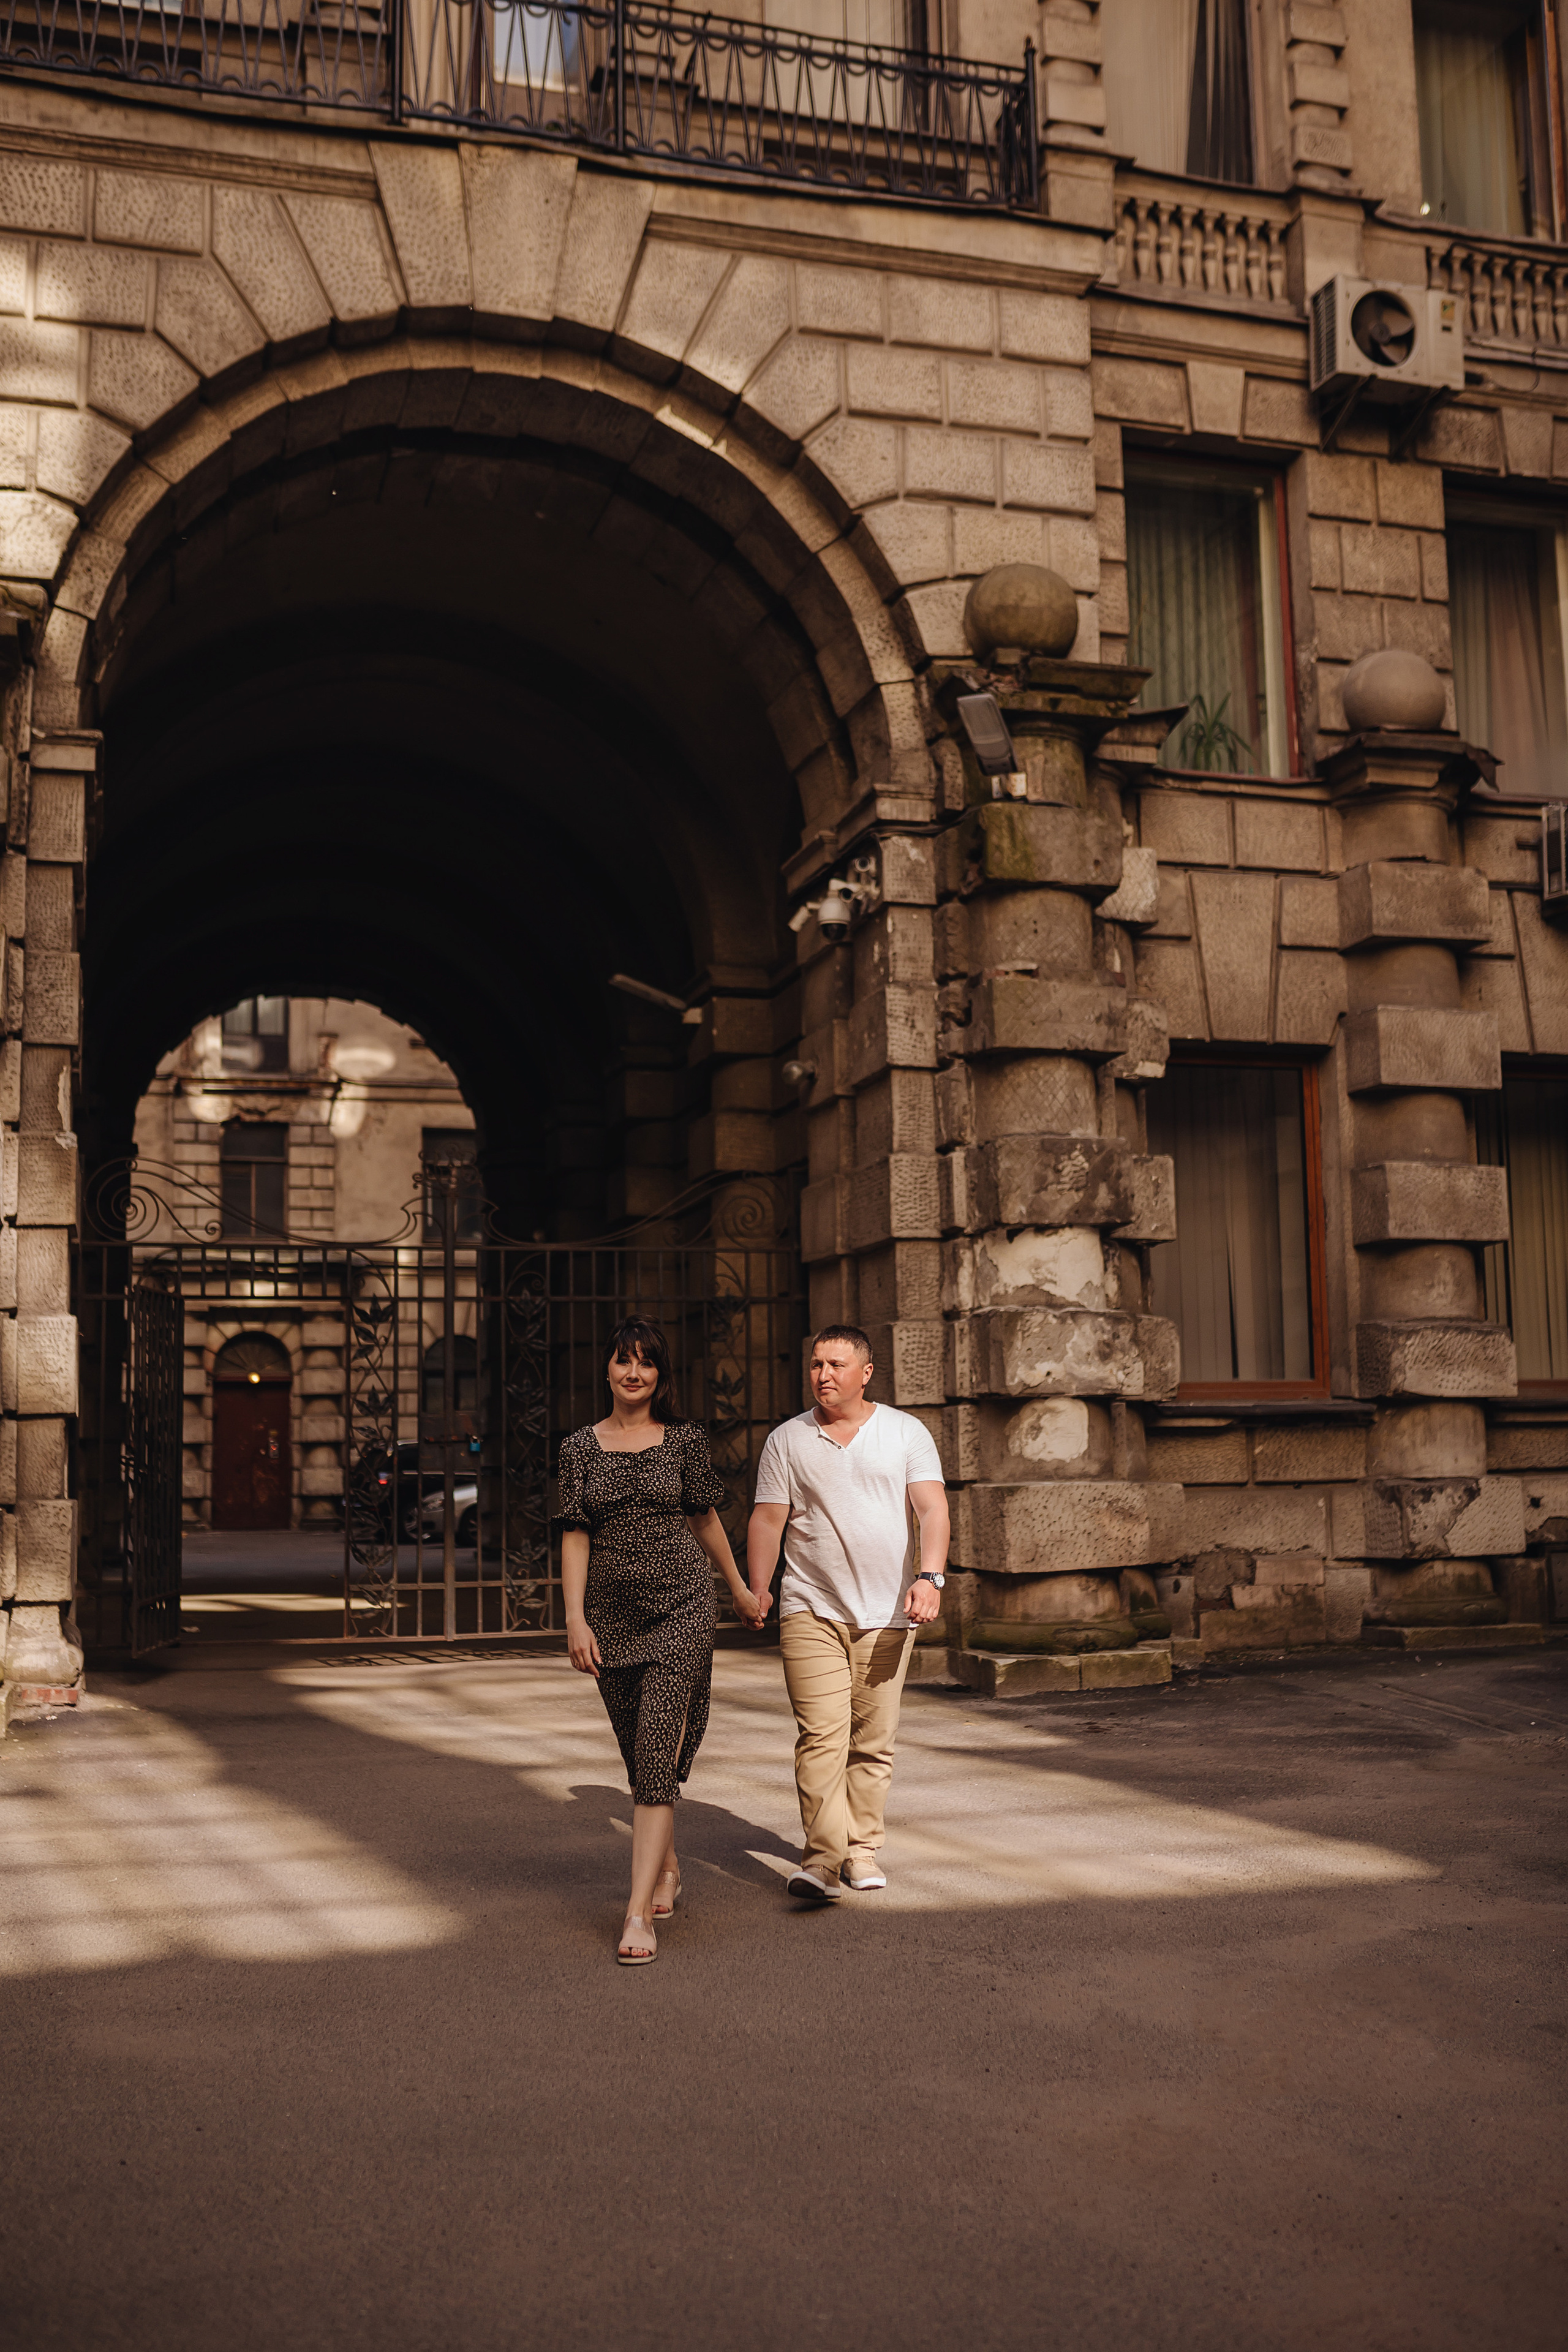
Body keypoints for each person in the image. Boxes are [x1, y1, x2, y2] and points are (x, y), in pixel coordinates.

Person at [560, 1316, 764, 1966]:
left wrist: (738, 1588)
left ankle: (635, 1912)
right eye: (624, 1359)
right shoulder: (578, 1449)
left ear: (660, 1374)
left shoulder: (683, 1441)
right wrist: (574, 1618)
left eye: (646, 1362)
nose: (633, 1372)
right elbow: (574, 1534)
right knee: (640, 1757)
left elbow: (705, 1517)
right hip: (612, 1617)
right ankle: (669, 1868)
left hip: (682, 1607)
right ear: (608, 1368)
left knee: (654, 1754)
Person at [745, 1324, 949, 1903]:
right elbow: (768, 1518)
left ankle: (861, 1851)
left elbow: (932, 1510)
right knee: (820, 1737)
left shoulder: (905, 1432)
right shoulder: (788, 1440)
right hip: (811, 1605)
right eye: (816, 1364)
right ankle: (822, 1861)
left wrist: (930, 1577)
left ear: (866, 1373)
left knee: (873, 1741)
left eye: (836, 1365)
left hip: (888, 1612)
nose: (824, 1375)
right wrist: (759, 1587)